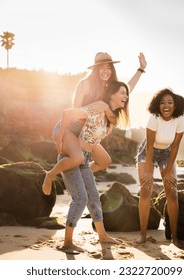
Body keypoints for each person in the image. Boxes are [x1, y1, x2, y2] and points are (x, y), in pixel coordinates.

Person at [41, 52, 146, 193]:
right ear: (95, 69)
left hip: (87, 131)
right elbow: (73, 113)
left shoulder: (109, 88)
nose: (105, 71)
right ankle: (50, 175)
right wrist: (61, 138)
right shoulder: (85, 84)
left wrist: (141, 69)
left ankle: (77, 175)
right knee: (77, 158)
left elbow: (127, 89)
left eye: (108, 68)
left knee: (104, 161)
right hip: (70, 128)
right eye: (102, 68)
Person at [52, 81, 130, 253]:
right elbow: (67, 113)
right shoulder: (97, 108)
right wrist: (59, 139)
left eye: (127, 94)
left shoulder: (112, 119)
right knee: (81, 199)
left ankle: (102, 235)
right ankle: (67, 242)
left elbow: (93, 140)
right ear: (111, 95)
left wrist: (140, 70)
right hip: (71, 156)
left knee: (94, 196)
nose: (125, 96)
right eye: (122, 92)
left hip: (84, 160)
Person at [135, 88, 184, 247]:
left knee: (172, 191)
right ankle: (143, 235)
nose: (166, 105)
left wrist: (168, 170)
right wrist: (149, 171)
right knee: (146, 188)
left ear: (175, 105)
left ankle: (175, 237)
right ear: (158, 105)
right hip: (147, 152)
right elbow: (149, 147)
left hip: (167, 153)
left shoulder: (180, 119)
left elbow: (176, 147)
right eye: (163, 102)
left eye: (170, 102)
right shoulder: (154, 118)